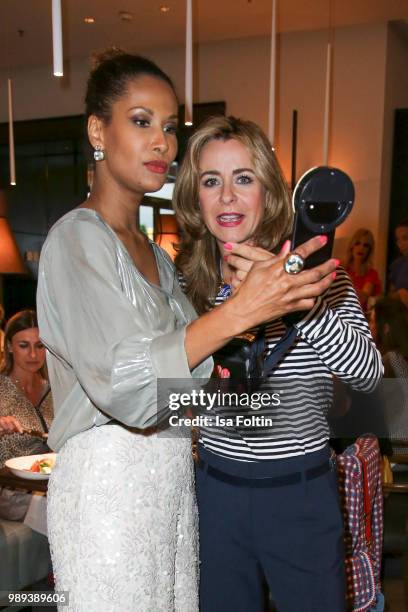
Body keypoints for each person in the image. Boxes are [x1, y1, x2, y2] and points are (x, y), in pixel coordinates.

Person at [36, 53, 337, 612]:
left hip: (172, 488)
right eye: (142, 121)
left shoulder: (156, 255)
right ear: (98, 130)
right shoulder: (76, 240)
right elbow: (126, 388)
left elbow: (183, 393)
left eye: (171, 128)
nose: (163, 144)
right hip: (110, 492)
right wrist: (240, 314)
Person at [173, 115, 383, 612]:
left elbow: (369, 375)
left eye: (243, 178)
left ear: (268, 192)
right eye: (211, 181)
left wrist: (301, 303)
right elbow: (174, 394)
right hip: (216, 494)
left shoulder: (322, 279)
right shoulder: (189, 286)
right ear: (195, 197)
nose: (227, 196)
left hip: (300, 496)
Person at [0, 310, 52, 520]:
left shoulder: (55, 391)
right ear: (10, 347)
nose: (33, 354)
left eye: (39, 346)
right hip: (11, 490)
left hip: (50, 484)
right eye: (24, 345)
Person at [344, 228, 381, 313]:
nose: (361, 248)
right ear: (352, 246)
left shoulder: (371, 273)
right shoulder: (342, 267)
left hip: (359, 316)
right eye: (357, 243)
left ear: (369, 250)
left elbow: (362, 299)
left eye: (366, 245)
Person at [389, 219, 408, 309]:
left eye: (405, 238)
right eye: (398, 239)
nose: (400, 244)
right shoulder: (397, 265)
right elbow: (391, 293)